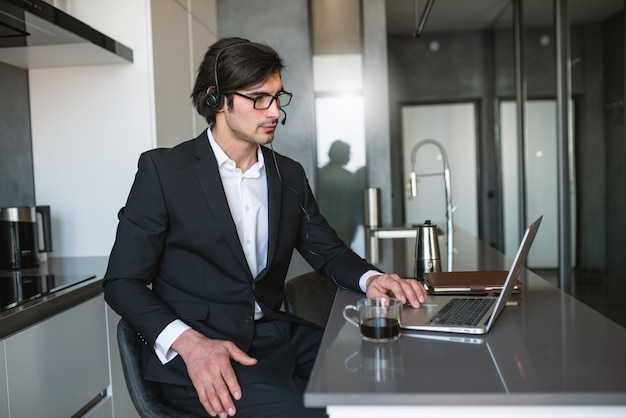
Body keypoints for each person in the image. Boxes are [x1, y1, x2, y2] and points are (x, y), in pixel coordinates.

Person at [103, 37, 428, 418]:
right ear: (216, 100)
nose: (274, 111)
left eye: (277, 97)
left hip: (277, 335)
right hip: (204, 353)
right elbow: (121, 282)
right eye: (259, 98)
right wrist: (190, 345)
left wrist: (372, 278)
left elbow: (328, 250)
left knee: (384, 380)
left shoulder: (287, 173)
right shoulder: (164, 172)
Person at [317, 140, 360, 246]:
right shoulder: (350, 178)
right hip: (344, 229)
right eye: (347, 153)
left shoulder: (318, 175)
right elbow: (355, 208)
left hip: (323, 228)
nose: (349, 157)